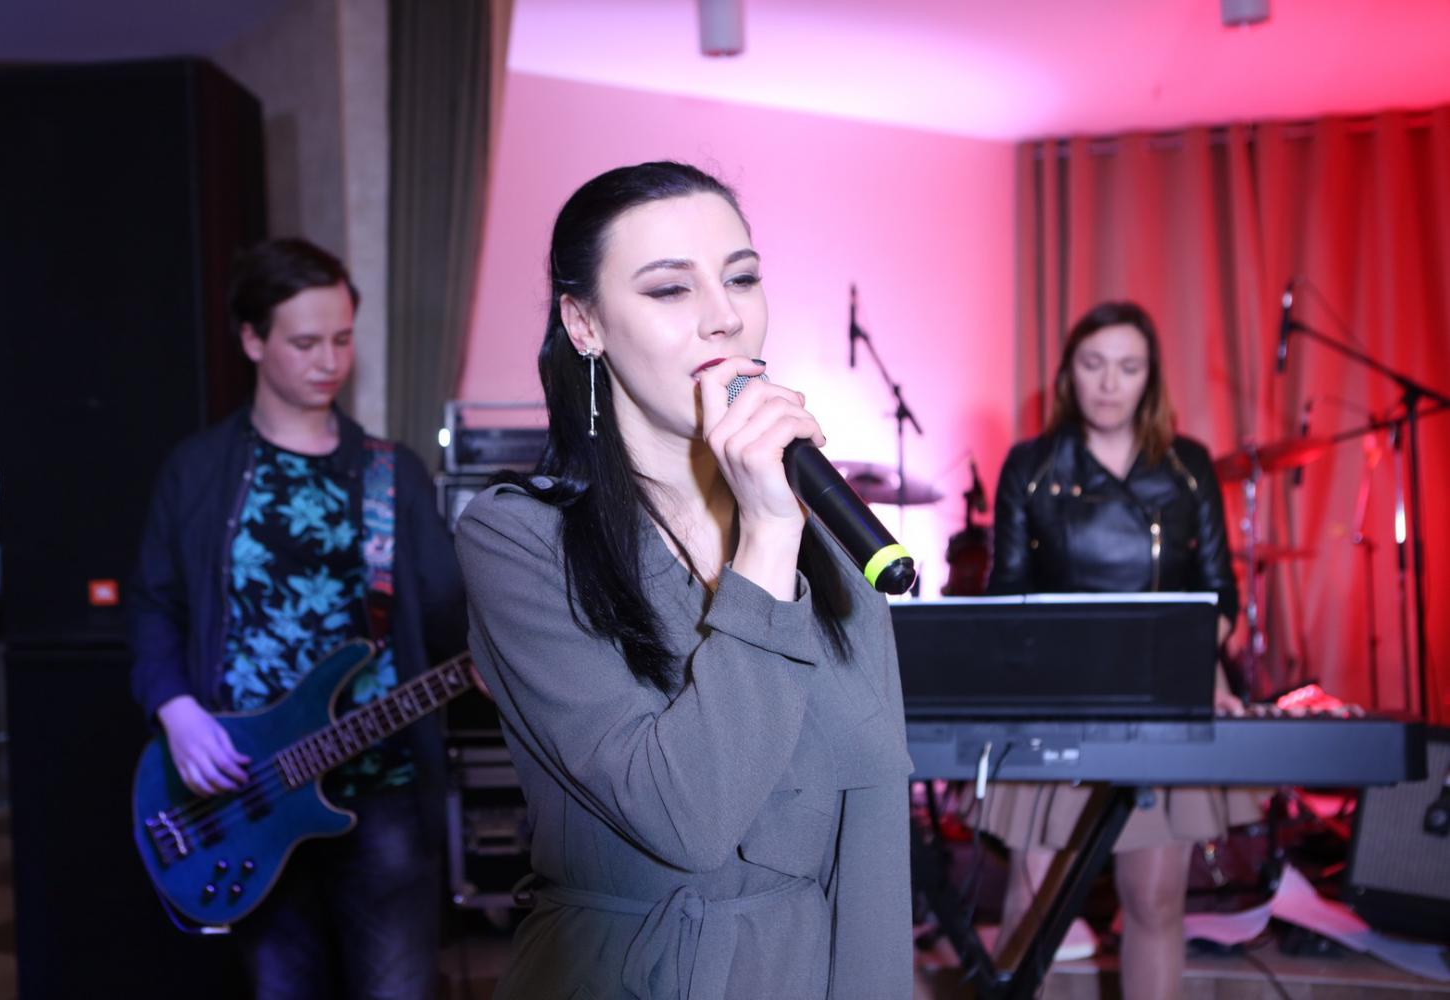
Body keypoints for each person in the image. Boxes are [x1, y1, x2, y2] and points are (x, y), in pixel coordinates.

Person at [454, 161, 914, 999]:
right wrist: (766, 536)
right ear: (584, 323)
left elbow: (876, 824)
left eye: (741, 278)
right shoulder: (518, 537)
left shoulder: (828, 535)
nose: (724, 316)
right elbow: (686, 815)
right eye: (670, 289)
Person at [129, 238, 467, 1000]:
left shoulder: (393, 474)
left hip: (382, 788)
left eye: (343, 339)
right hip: (245, 795)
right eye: (306, 343)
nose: (330, 361)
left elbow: (450, 618)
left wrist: (505, 644)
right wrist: (176, 710)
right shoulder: (197, 471)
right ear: (252, 339)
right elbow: (155, 605)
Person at [984, 300, 1248, 1000]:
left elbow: (1220, 591)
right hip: (1052, 701)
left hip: (1162, 698)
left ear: (1149, 377)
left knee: (1155, 902)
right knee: (1031, 908)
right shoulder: (1031, 466)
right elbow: (1004, 594)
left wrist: (1202, 664)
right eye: (1094, 364)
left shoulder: (1188, 465)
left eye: (1128, 367)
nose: (1109, 383)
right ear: (1068, 372)